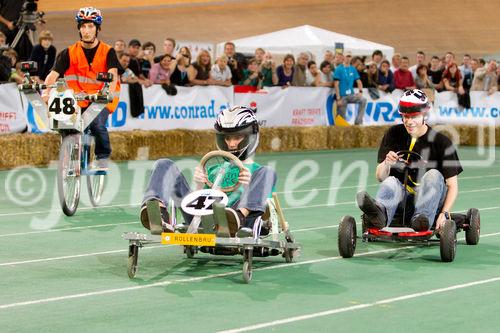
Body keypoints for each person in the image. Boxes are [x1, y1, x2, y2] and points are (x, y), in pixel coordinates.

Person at [140, 106, 277, 238]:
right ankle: (158, 212)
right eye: (227, 138)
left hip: (237, 223)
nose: (231, 144)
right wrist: (199, 185)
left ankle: (236, 217)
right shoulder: (212, 169)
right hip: (202, 219)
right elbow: (200, 203)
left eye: (237, 137)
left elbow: (266, 210)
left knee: (269, 171)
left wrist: (248, 186)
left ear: (251, 136)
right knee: (164, 164)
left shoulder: (259, 173)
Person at [357, 89, 462, 231]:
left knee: (433, 174)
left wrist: (444, 213)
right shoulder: (393, 133)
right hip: (402, 199)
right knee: (390, 181)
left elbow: (452, 186)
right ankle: (379, 213)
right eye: (405, 117)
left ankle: (421, 219)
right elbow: (380, 177)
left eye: (414, 117)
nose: (409, 122)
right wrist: (386, 163)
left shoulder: (442, 142)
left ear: (425, 114)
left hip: (432, 199)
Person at [43, 7, 120, 169]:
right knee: (67, 127)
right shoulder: (68, 53)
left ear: (97, 29)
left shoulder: (108, 51)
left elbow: (113, 75)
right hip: (77, 99)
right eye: (83, 26)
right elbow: (52, 76)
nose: (86, 31)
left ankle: (102, 157)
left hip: (101, 98)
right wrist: (46, 92)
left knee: (97, 125)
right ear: (79, 29)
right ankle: (73, 156)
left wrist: (109, 93)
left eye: (90, 26)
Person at [333, 51, 366, 125]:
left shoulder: (353, 69)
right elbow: (336, 84)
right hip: (342, 96)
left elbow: (359, 82)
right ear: (343, 57)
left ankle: (358, 122)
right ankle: (340, 128)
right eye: (347, 56)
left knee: (363, 100)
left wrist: (360, 92)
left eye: (349, 56)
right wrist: (338, 98)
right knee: (341, 119)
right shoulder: (339, 69)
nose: (348, 58)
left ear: (351, 58)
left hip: (351, 95)